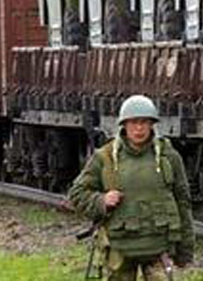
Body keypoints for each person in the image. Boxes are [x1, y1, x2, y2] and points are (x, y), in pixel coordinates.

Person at [69, 95, 195, 280]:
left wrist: (185, 249)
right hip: (120, 248)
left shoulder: (168, 157)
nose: (139, 128)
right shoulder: (105, 157)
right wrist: (101, 201)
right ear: (124, 125)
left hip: (158, 246)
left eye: (144, 122)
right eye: (134, 122)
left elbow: (183, 201)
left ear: (152, 124)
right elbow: (77, 194)